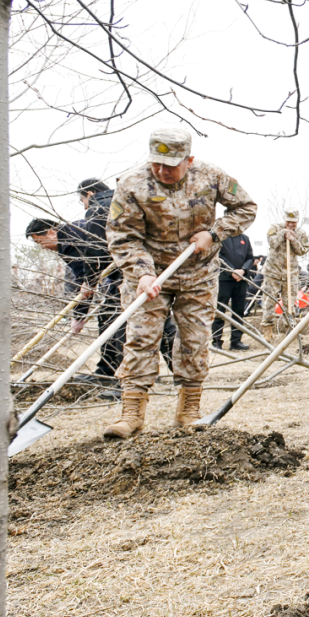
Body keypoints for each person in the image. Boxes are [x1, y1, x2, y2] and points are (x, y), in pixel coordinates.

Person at [103, 126, 256, 437]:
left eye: (171, 165)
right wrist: (143, 273)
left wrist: (213, 234)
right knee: (140, 339)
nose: (162, 171)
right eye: (156, 164)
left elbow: (246, 208)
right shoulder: (132, 184)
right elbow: (123, 237)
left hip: (198, 275)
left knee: (195, 342)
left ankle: (189, 410)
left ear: (189, 159)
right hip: (148, 276)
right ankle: (131, 414)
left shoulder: (211, 176)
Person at [25, 212, 123, 398]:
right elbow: (85, 281)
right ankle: (106, 371)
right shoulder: (68, 238)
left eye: (40, 242)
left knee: (113, 318)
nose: (43, 248)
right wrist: (80, 314)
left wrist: (79, 316)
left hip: (123, 271)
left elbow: (85, 281)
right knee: (106, 315)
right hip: (113, 274)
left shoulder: (74, 238)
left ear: (51, 233)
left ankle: (119, 374)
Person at [260, 210, 309, 340]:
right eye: (288, 221)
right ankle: (267, 330)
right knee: (269, 301)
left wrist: (293, 240)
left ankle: (289, 329)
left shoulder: (301, 233)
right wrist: (283, 234)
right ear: (284, 218)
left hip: (290, 273)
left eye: (293, 222)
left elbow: (302, 250)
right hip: (273, 272)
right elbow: (273, 243)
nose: (290, 224)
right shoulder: (275, 228)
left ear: (297, 221)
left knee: (290, 302)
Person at [211, 231, 255, 351]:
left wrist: (243, 270)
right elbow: (218, 256)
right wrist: (231, 271)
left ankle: (236, 342)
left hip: (241, 280)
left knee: (238, 311)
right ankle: (216, 341)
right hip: (224, 279)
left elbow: (250, 258)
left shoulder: (245, 238)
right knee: (219, 310)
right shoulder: (221, 238)